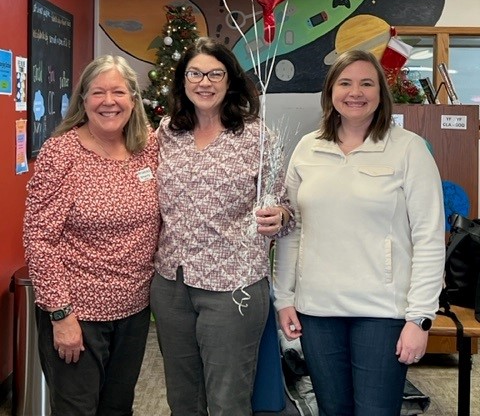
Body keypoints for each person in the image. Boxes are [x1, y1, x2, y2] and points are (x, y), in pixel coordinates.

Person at [273, 49, 445, 416]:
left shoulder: (408, 150)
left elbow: (429, 238)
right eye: (345, 82)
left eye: (367, 83)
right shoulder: (307, 148)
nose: (356, 92)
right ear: (330, 92)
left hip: (382, 312)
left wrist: (420, 318)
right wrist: (283, 297)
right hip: (317, 310)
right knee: (332, 410)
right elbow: (292, 228)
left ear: (381, 93)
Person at [150, 36, 294, 416]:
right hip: (171, 282)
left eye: (216, 73)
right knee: (182, 396)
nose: (205, 82)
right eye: (195, 73)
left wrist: (279, 215)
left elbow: (285, 207)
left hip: (233, 286)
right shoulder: (167, 133)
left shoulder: (256, 137)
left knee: (228, 398)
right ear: (182, 80)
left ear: (230, 81)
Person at [23, 55, 160, 416]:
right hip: (77, 313)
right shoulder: (61, 153)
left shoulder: (148, 148)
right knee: (77, 410)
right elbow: (39, 237)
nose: (108, 101)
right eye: (97, 92)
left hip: (133, 311)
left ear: (133, 98)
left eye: (118, 91)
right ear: (83, 100)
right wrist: (61, 314)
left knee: (118, 408)